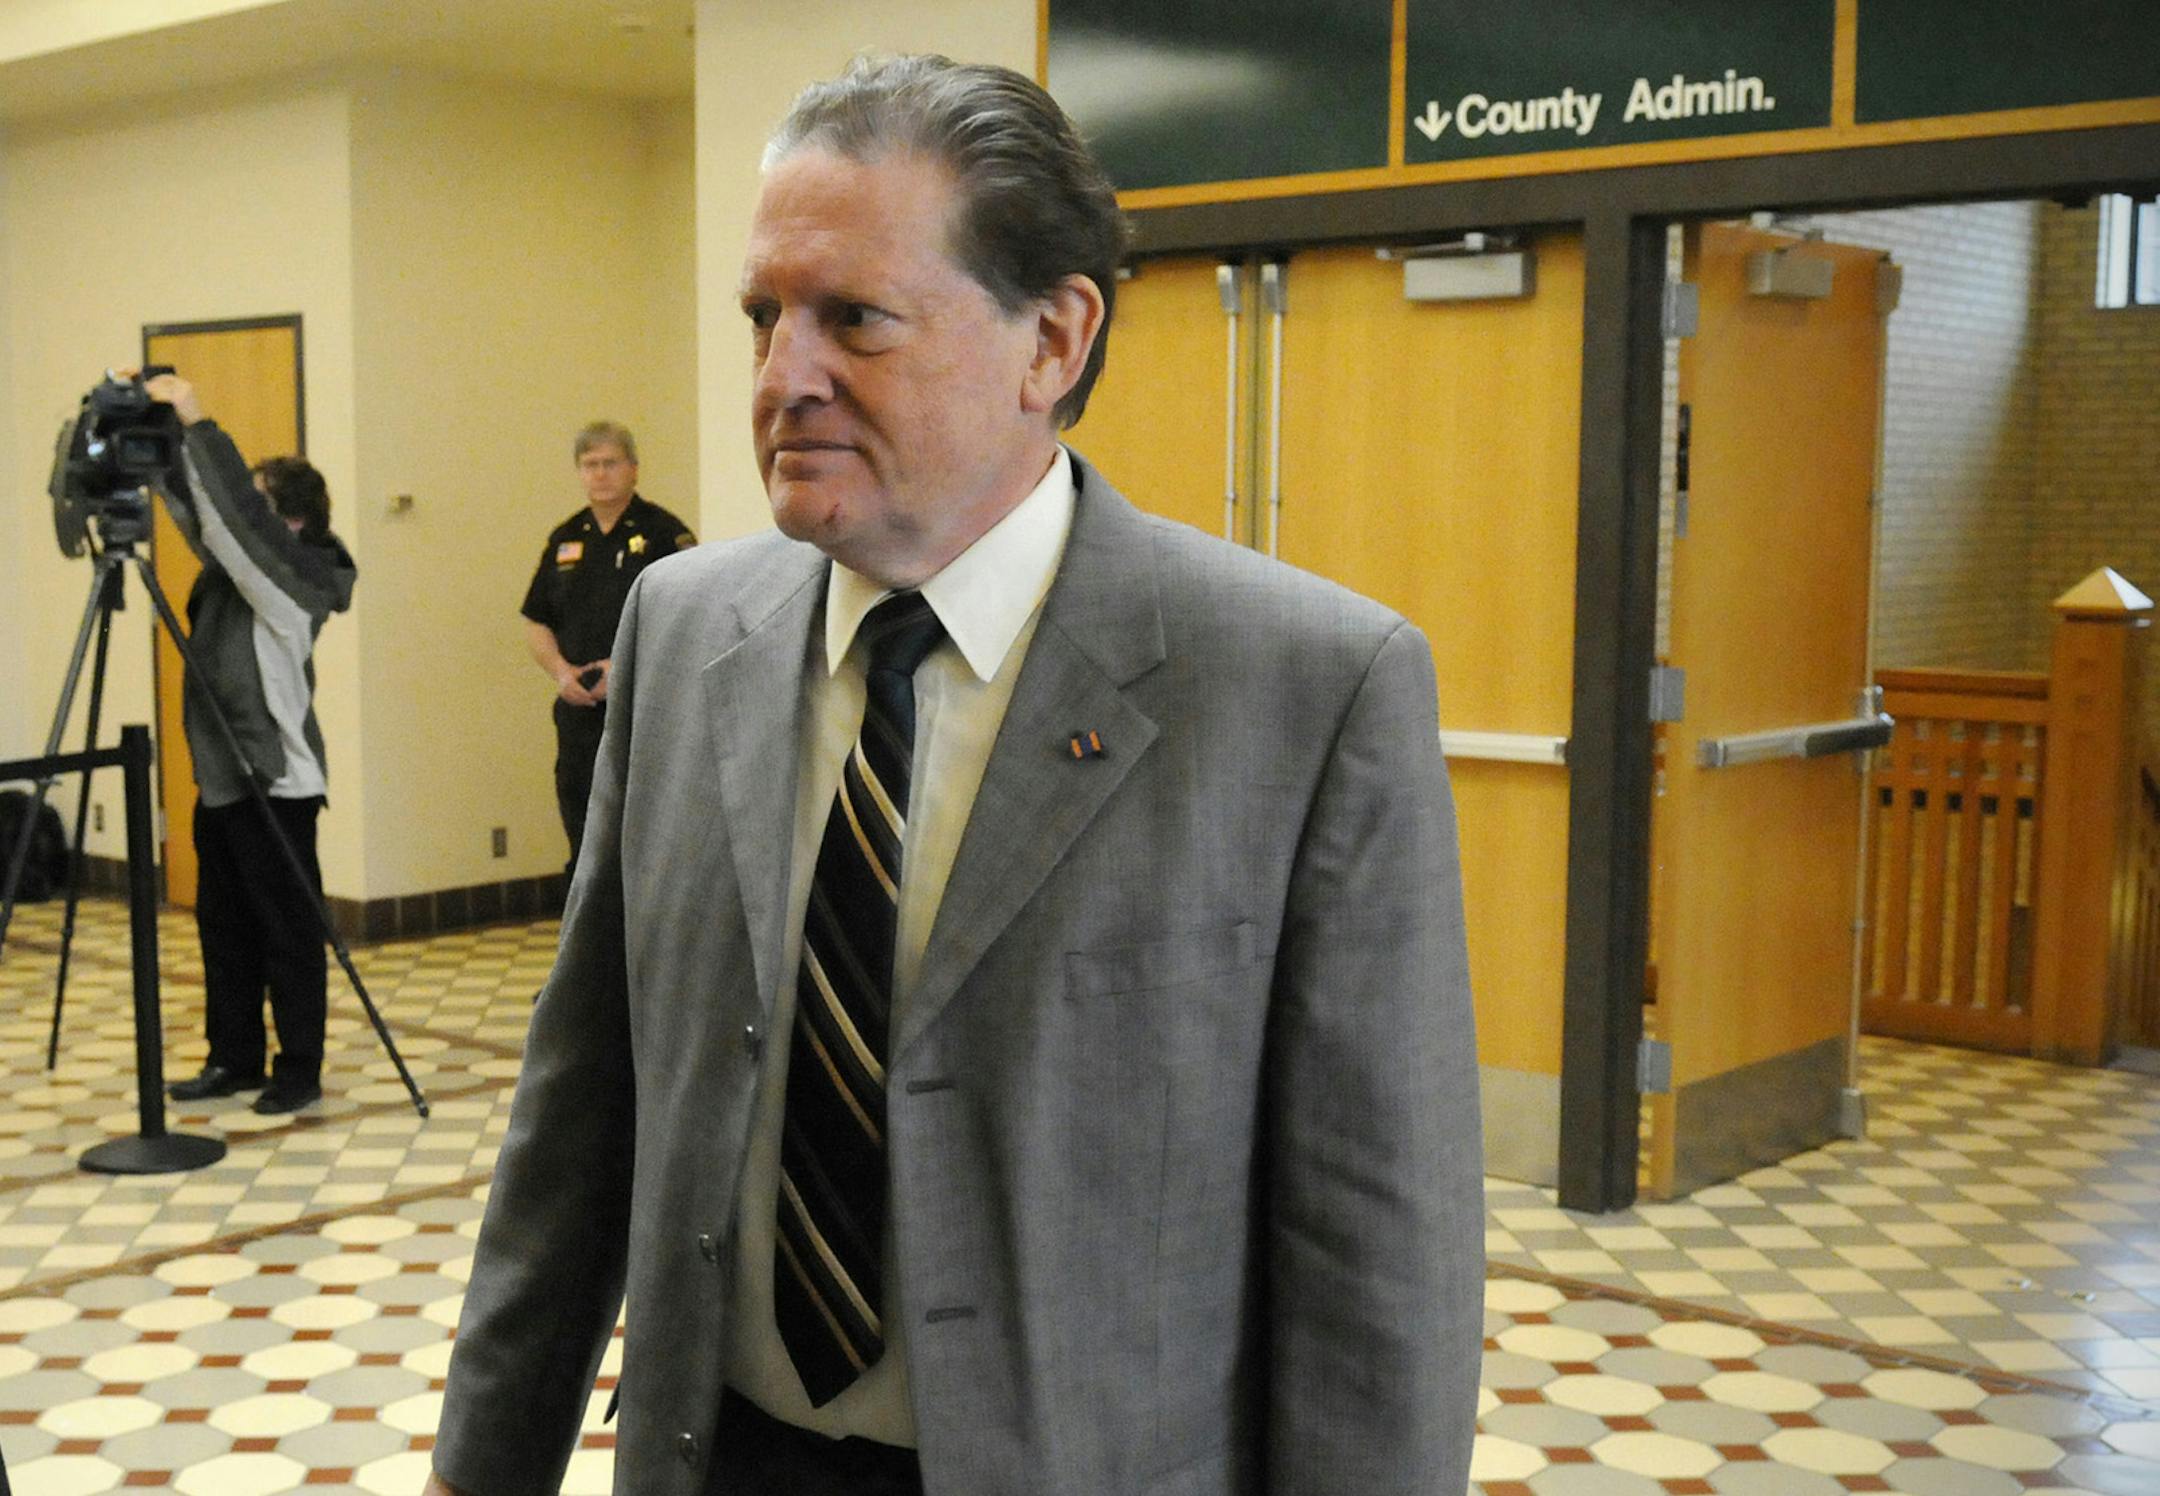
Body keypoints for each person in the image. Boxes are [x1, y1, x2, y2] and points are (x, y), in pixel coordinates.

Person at [431, 54, 1482, 1496]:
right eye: (763, 317)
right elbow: (581, 1116)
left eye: (853, 318)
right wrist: (478, 1468)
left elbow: (1378, 1254)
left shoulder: (1303, 689)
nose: (782, 376)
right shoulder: (682, 632)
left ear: (1051, 339)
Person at [148, 373, 356, 1117]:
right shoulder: (238, 574)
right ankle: (232, 1057)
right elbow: (209, 519)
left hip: (277, 784)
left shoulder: (292, 583)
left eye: (262, 503)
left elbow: (232, 525)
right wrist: (165, 447)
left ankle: (298, 1066)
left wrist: (199, 422)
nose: (243, 516)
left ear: (291, 522)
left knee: (287, 933)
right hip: (224, 779)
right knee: (224, 928)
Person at [520, 422, 694, 872]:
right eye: (589, 465)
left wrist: (623, 669)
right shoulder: (566, 537)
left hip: (641, 706)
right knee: (582, 832)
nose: (599, 474)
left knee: (640, 836)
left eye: (610, 463)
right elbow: (536, 620)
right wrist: (561, 673)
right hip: (579, 710)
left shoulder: (663, 533)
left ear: (633, 468)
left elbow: (686, 618)